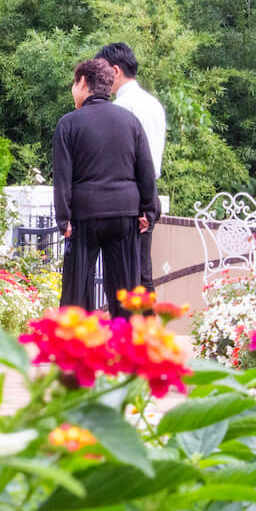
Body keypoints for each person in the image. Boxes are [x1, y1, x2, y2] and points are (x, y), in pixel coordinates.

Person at [52, 58, 158, 317]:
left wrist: (63, 218)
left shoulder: (69, 123)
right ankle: (126, 348)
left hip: (84, 215)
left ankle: (75, 346)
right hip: (125, 213)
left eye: (74, 84)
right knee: (125, 288)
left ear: (84, 83)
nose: (73, 90)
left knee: (77, 287)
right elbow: (146, 170)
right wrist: (150, 211)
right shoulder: (131, 122)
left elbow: (63, 176)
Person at [95, 43, 166, 290]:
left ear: (115, 70)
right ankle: (145, 327)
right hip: (149, 193)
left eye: (102, 72)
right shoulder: (153, 104)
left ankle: (128, 327)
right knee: (142, 273)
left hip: (128, 196)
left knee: (123, 277)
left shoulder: (122, 108)